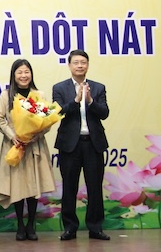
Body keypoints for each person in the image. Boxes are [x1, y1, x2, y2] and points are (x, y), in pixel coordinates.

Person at [0, 59, 55, 241]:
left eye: (26, 72)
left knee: (33, 187)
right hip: (14, 146)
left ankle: (31, 225)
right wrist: (13, 136)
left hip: (34, 146)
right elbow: (0, 119)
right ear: (14, 75)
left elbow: (47, 121)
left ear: (31, 74)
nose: (23, 75)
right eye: (20, 72)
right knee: (18, 187)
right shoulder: (6, 95)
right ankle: (20, 225)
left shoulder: (38, 94)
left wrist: (34, 135)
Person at [52, 50, 110, 241]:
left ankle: (95, 227)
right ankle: (70, 227)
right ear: (69, 65)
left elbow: (104, 113)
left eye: (83, 62)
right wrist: (76, 100)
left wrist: (90, 100)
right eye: (76, 62)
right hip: (70, 145)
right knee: (69, 187)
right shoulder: (60, 88)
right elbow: (59, 112)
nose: (79, 66)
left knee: (95, 187)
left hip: (93, 144)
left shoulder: (98, 87)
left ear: (88, 65)